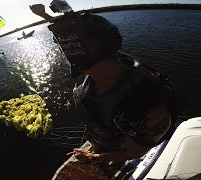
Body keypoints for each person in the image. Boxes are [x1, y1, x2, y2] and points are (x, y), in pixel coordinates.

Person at [30, 3, 178, 177]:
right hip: (106, 131)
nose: (62, 51)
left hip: (123, 146)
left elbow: (137, 152)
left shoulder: (146, 106)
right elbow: (80, 32)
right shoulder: (111, 57)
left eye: (65, 47)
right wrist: (44, 15)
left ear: (77, 54)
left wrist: (94, 157)